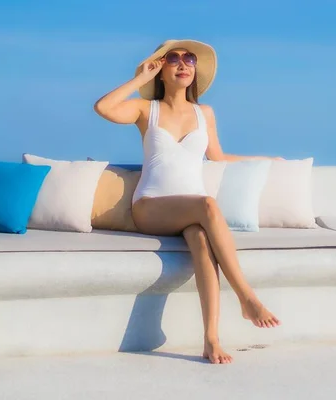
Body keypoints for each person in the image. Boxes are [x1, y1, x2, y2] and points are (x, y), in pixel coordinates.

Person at [93, 39, 281, 364]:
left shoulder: (203, 113)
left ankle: (211, 339)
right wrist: (140, 78)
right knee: (207, 206)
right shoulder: (144, 109)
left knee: (200, 239)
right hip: (150, 207)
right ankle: (246, 296)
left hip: (189, 213)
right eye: (173, 58)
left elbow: (219, 157)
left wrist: (266, 159)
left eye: (189, 58)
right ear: (161, 70)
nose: (184, 63)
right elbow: (103, 107)